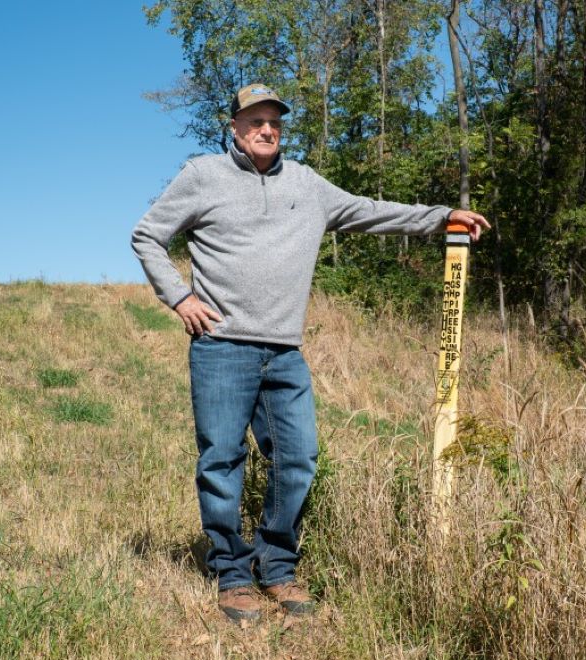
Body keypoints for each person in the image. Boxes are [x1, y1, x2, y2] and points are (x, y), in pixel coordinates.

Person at [131, 83, 489, 622]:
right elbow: (147, 236)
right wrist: (179, 297)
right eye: (255, 120)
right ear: (234, 127)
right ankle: (231, 573)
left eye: (274, 120)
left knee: (297, 460)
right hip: (222, 348)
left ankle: (276, 567)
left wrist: (441, 217)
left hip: (284, 351)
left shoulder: (306, 184)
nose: (266, 129)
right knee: (221, 461)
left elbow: (370, 211)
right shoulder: (202, 175)